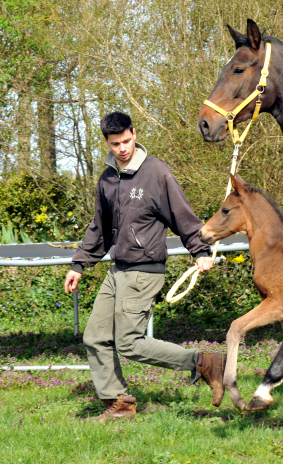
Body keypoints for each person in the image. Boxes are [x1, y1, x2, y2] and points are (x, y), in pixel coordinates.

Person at [64, 112, 225, 422]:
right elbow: (99, 228)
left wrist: (200, 250)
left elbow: (183, 216)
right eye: (115, 144)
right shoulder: (107, 178)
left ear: (134, 134)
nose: (122, 148)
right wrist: (79, 265)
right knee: (95, 337)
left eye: (126, 141)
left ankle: (203, 362)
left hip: (144, 269)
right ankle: (119, 403)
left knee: (128, 343)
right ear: (107, 143)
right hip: (118, 270)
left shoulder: (156, 172)